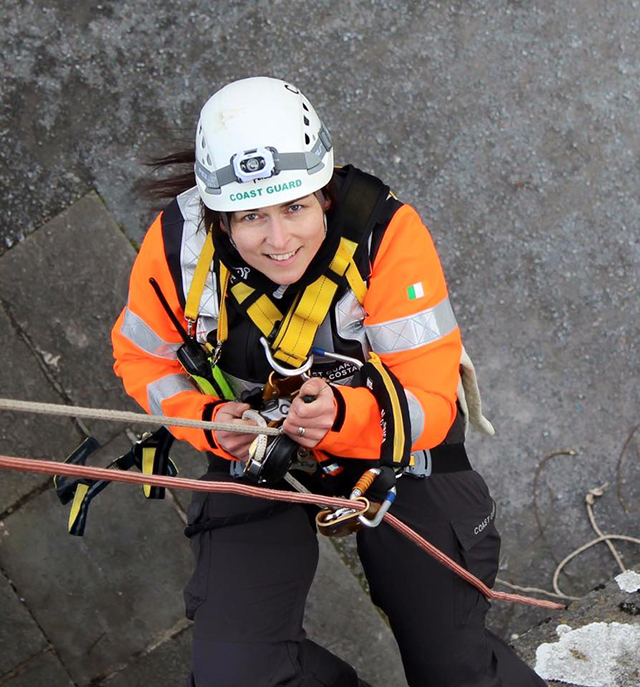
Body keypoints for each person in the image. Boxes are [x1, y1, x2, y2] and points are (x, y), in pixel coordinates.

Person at [112, 77, 546, 687]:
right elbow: (142, 360)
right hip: (260, 451)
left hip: (400, 452)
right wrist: (210, 421)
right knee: (238, 675)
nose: (279, 240)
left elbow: (431, 403)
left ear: (324, 193)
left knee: (454, 668)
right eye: (251, 217)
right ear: (218, 214)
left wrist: (347, 417)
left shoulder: (383, 235)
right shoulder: (179, 249)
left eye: (294, 207)